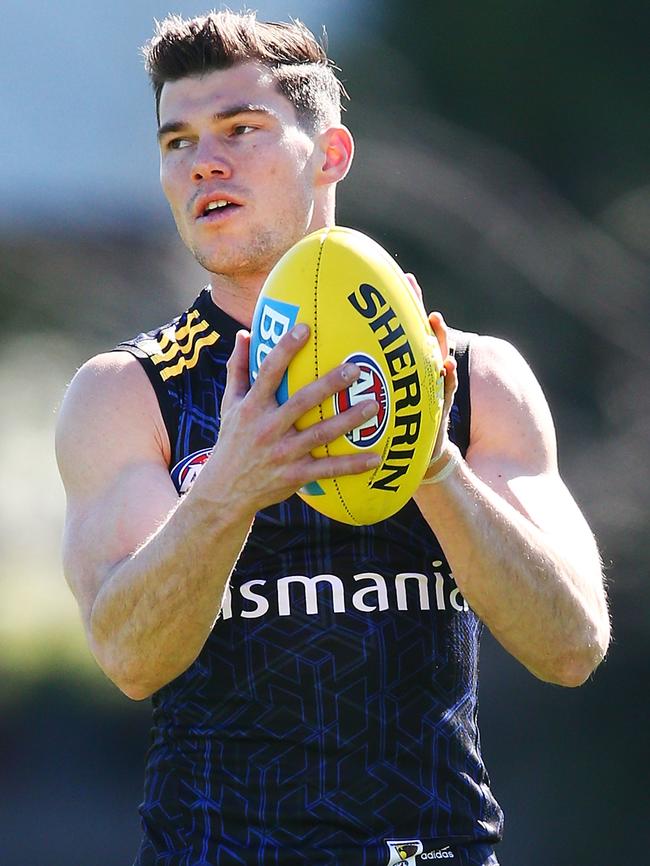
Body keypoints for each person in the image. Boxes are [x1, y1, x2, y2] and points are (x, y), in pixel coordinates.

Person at [55, 10, 610, 866]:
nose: (205, 161)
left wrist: (436, 467)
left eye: (242, 129)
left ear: (332, 154)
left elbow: (572, 646)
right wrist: (229, 488)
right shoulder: (127, 393)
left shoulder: (476, 375)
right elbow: (130, 659)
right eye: (178, 142)